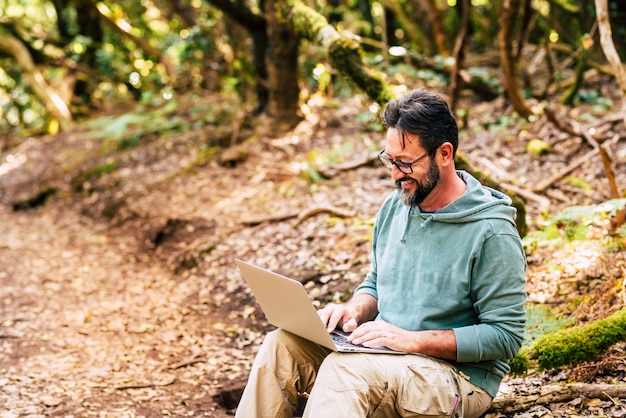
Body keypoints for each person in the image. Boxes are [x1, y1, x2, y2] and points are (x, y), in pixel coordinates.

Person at [235, 88, 527, 418]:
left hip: (456, 379)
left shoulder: (492, 231)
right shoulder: (395, 207)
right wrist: (354, 310)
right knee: (282, 346)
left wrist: (414, 341)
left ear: (444, 154)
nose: (394, 174)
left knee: (344, 373)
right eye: (389, 160)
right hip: (385, 355)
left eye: (405, 163)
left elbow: (505, 336)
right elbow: (377, 282)